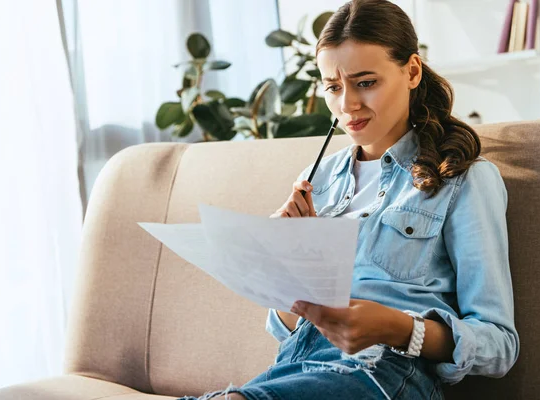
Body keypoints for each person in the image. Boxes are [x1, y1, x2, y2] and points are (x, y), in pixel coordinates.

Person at [177, 0, 519, 398]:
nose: (347, 105)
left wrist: (399, 327)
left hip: (387, 369)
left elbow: (499, 345)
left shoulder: (464, 179)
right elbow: (286, 327)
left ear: (411, 71)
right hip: (297, 361)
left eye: (366, 82)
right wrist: (285, 264)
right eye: (333, 87)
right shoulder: (316, 179)